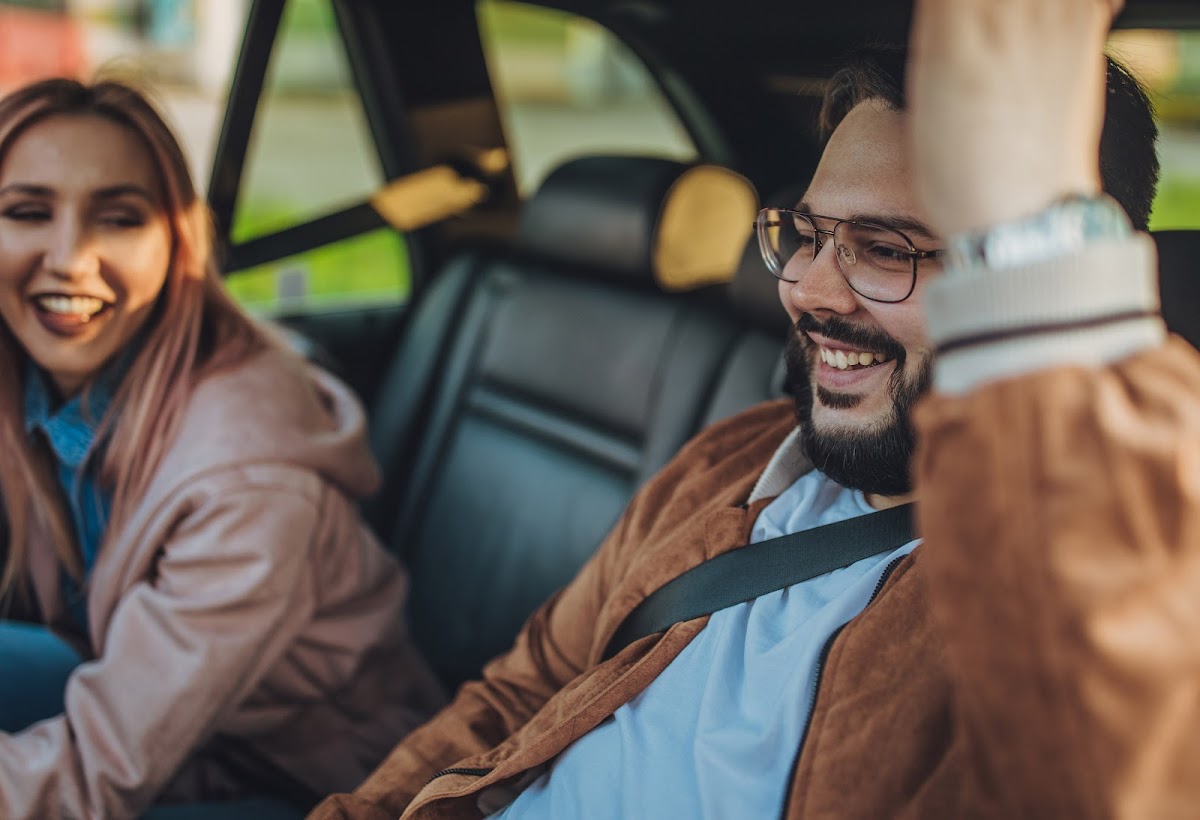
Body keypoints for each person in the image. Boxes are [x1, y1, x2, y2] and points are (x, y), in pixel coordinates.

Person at [312, 0, 1200, 817]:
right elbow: (520, 691)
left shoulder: (1082, 584)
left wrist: (1037, 217)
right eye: (807, 236)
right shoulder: (732, 463)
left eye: (885, 250)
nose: (808, 290)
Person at [0, 79, 445, 819]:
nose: (72, 259)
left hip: (309, 779)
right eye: (26, 212)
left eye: (118, 219)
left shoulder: (251, 479)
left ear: (179, 243)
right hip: (151, 700)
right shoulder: (44, 381)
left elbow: (97, 770)